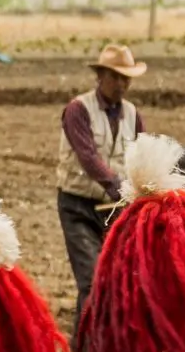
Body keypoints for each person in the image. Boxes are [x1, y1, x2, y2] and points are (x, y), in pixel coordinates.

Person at [57, 44, 147, 314]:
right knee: (92, 281)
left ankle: (86, 345)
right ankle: (91, 350)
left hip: (115, 210)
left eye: (125, 78)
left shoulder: (132, 114)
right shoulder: (78, 110)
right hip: (78, 207)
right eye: (115, 77)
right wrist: (119, 187)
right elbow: (88, 158)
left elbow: (141, 155)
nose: (121, 84)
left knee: (115, 280)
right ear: (100, 76)